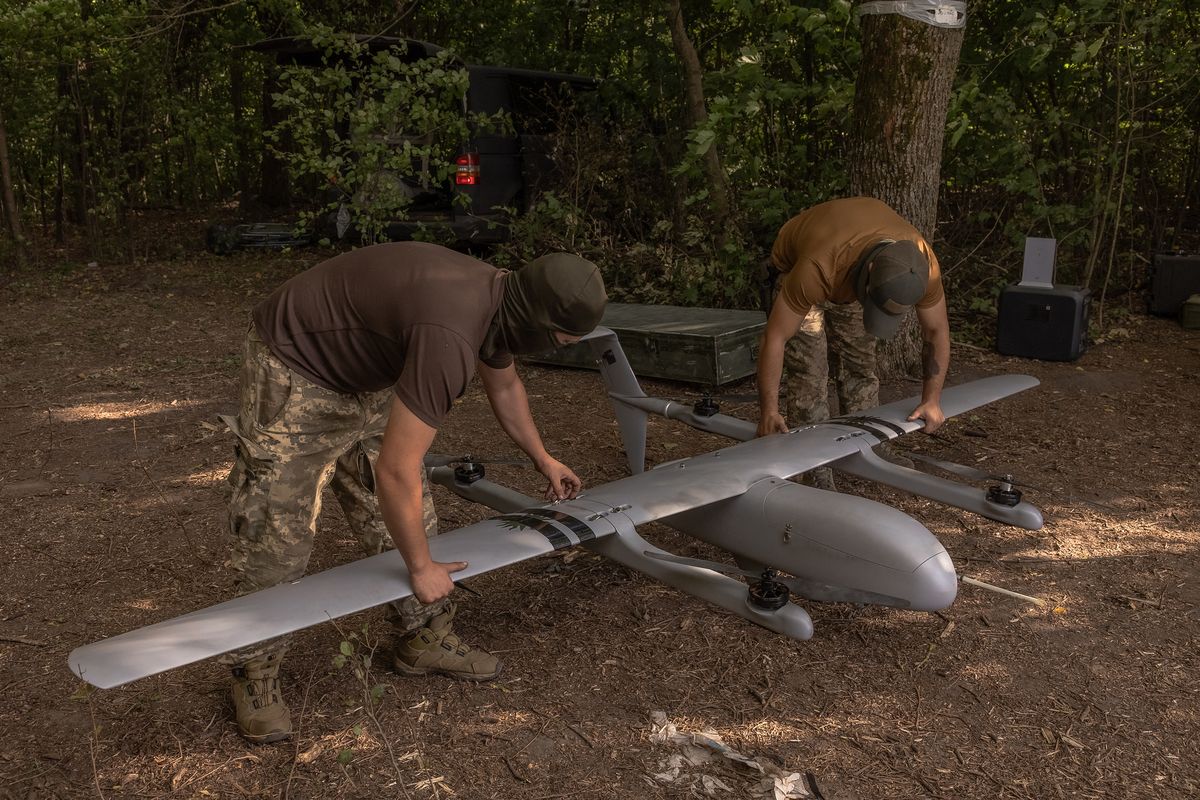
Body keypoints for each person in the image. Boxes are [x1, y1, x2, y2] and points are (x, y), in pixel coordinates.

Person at [220, 241, 606, 743]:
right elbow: (395, 471)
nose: (562, 347)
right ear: (535, 320)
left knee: (409, 517)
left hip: (365, 366)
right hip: (296, 362)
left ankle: (421, 636)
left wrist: (543, 458)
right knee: (277, 532)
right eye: (561, 339)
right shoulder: (450, 333)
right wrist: (421, 570)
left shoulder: (501, 304)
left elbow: (506, 387)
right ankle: (255, 672)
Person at [756, 197, 950, 487]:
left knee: (860, 365)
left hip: (853, 267)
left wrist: (932, 400)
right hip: (805, 263)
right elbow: (776, 336)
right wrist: (768, 412)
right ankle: (815, 465)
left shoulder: (921, 264)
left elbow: (936, 331)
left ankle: (868, 445)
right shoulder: (816, 267)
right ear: (870, 274)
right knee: (811, 374)